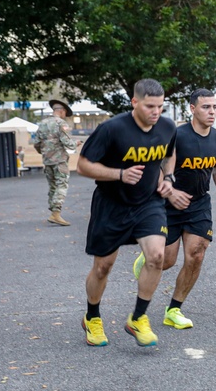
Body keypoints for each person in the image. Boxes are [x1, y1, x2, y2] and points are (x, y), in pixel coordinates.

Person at [76, 79, 177, 347]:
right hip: (111, 205)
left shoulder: (166, 126)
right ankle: (92, 317)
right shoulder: (112, 129)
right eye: (149, 106)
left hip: (148, 203)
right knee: (102, 267)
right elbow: (83, 166)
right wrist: (119, 174)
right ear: (134, 102)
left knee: (157, 255)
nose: (156, 112)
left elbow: (169, 152)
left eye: (160, 106)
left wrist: (169, 177)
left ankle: (138, 317)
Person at [132, 89, 216, 330]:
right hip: (168, 203)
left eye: (214, 107)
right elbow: (157, 165)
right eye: (206, 107)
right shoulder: (176, 135)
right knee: (166, 260)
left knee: (196, 255)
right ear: (192, 109)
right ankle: (148, 257)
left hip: (199, 203)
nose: (212, 112)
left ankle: (174, 309)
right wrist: (170, 191)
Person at [33, 98, 81, 226]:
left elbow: (36, 143)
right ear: (62, 111)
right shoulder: (61, 123)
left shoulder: (42, 123)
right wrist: (75, 143)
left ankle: (53, 211)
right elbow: (67, 143)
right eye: (65, 112)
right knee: (62, 185)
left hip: (47, 160)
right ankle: (55, 214)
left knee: (53, 186)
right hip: (60, 161)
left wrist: (44, 152)